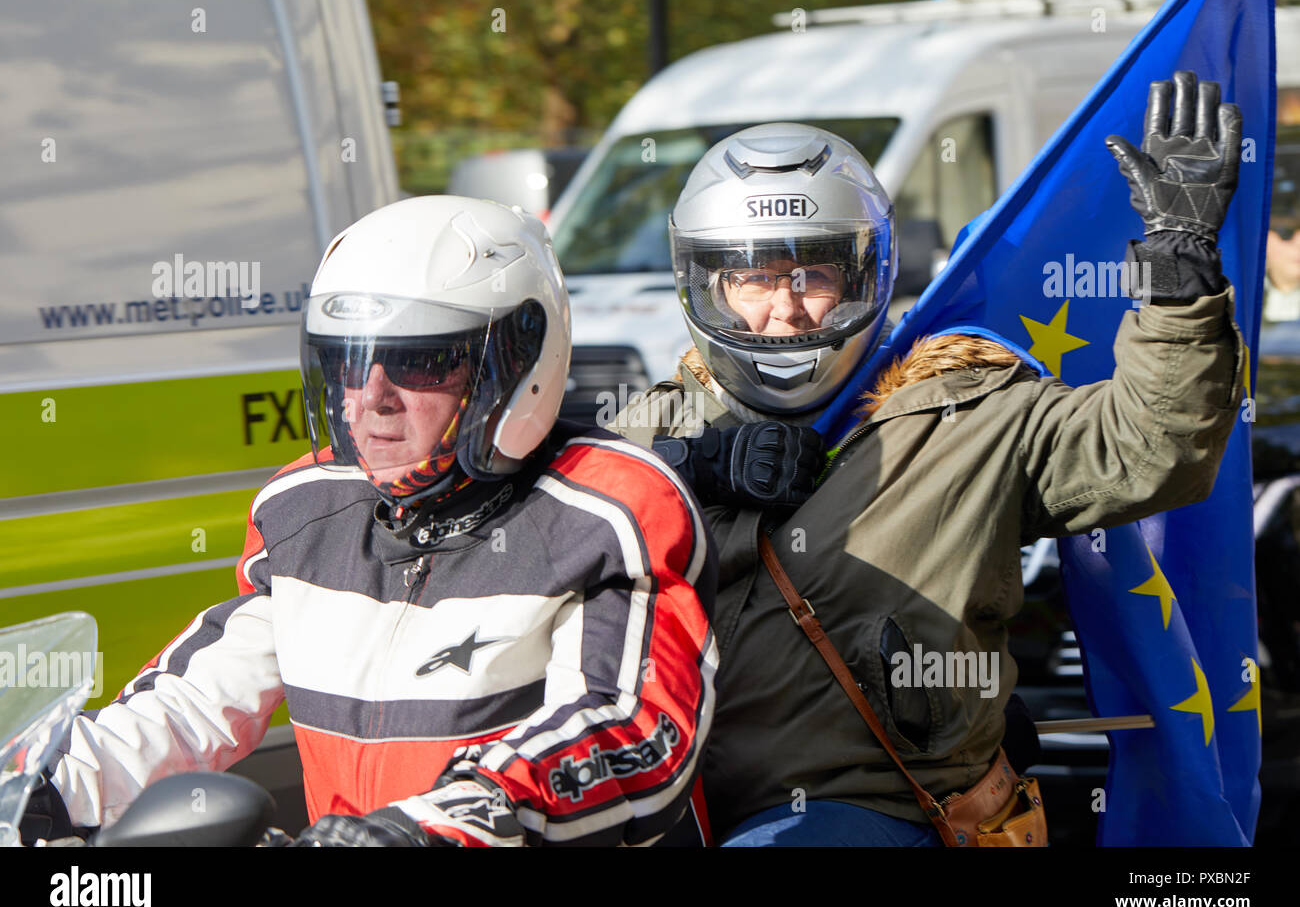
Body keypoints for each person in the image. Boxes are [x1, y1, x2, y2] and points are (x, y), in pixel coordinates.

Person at [610, 72, 1246, 845]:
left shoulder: (970, 411)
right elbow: (513, 535)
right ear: (704, 284)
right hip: (663, 806)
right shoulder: (645, 435)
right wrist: (684, 471)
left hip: (879, 810)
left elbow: (1157, 444)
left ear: (866, 274)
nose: (782, 310)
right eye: (751, 277)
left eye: (813, 274)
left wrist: (1179, 273)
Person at [23, 196, 718, 847]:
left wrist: (431, 827)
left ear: (514, 365)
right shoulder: (304, 509)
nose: (371, 399)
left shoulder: (607, 510)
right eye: (349, 364)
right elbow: (190, 703)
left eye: (419, 363)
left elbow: (625, 732)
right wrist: (44, 783)